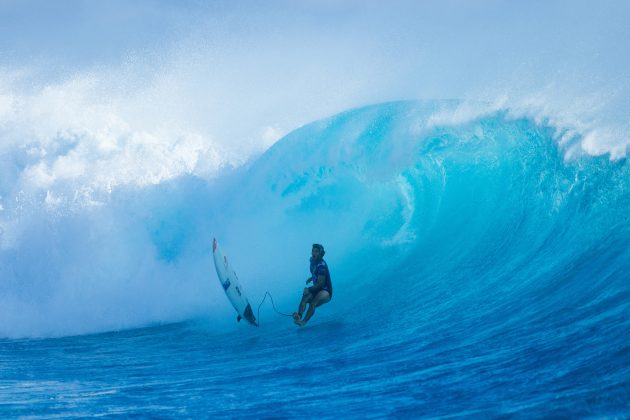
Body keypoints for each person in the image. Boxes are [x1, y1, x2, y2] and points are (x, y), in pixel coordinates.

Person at [293, 243, 333, 326]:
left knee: (313, 303)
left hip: (326, 291)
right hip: (317, 289)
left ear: (321, 254)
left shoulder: (322, 265)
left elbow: (321, 284)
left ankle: (303, 322)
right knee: (305, 297)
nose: (314, 253)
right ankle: (299, 316)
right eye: (313, 251)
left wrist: (309, 289)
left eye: (316, 251)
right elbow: (315, 272)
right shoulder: (312, 260)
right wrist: (311, 278)